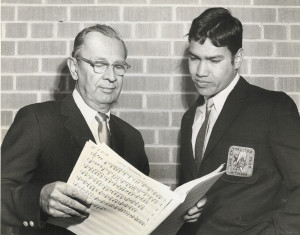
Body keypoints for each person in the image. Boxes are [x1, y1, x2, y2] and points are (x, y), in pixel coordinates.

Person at [1, 24, 149, 235]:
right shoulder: (38, 120)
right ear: (74, 68)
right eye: (99, 64)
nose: (111, 77)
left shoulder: (133, 138)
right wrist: (39, 198)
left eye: (118, 66)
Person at [178, 7, 300, 234]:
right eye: (194, 58)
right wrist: (184, 211)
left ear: (238, 59)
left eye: (214, 60)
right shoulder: (189, 119)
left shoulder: (273, 108)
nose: (200, 71)